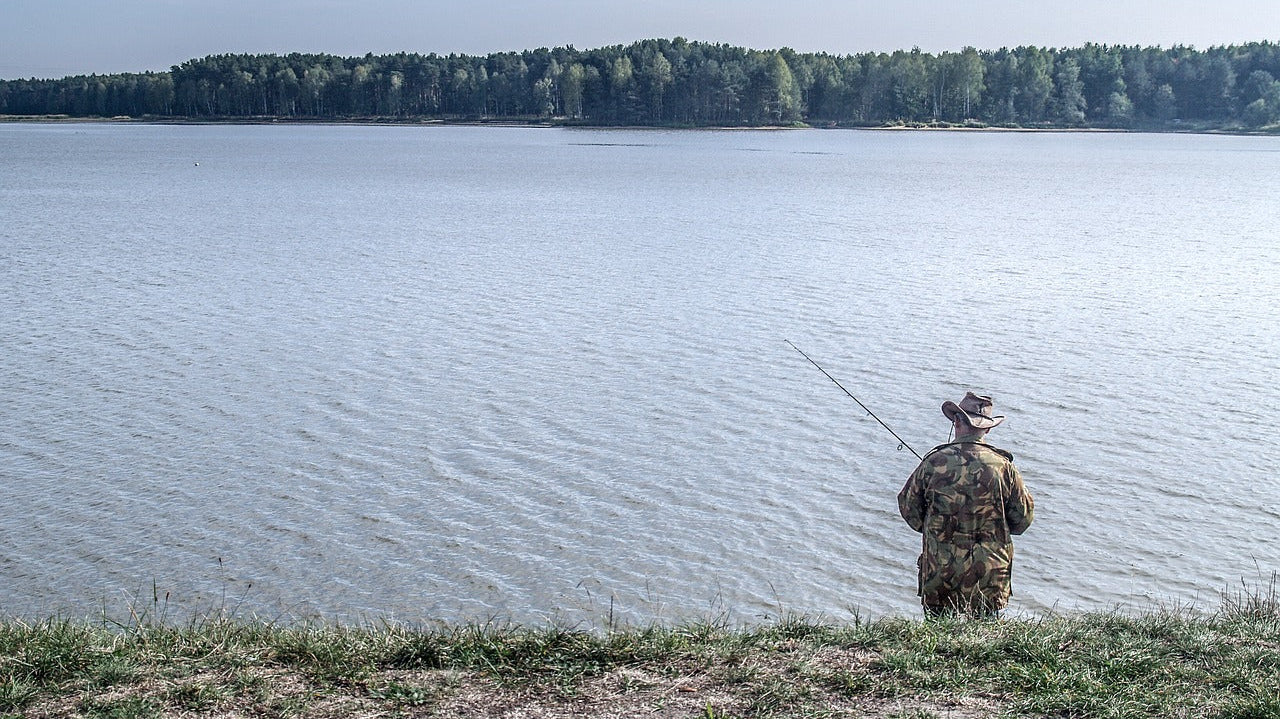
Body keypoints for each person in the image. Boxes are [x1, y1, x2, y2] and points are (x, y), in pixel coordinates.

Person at [897, 392, 1034, 619]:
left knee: (938, 647)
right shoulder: (1004, 468)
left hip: (941, 577)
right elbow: (1022, 521)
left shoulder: (933, 462)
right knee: (988, 647)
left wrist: (938, 527)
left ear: (957, 421)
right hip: (990, 579)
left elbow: (909, 511)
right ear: (988, 429)